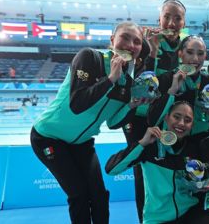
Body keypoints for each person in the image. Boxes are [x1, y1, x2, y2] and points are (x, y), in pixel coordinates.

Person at [30, 21, 149, 224]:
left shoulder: (127, 83)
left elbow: (112, 123)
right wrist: (110, 79)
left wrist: (132, 106)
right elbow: (77, 104)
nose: (131, 45)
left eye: (137, 41)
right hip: (48, 137)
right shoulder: (90, 58)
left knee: (99, 195)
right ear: (112, 40)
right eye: (125, 37)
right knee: (79, 194)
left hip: (82, 142)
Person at [106, 101, 209, 224]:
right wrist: (142, 143)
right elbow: (111, 169)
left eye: (187, 120)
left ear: (192, 125)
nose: (181, 123)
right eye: (176, 116)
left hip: (189, 213)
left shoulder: (194, 148)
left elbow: (208, 181)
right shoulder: (149, 147)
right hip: (157, 219)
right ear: (166, 117)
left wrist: (204, 184)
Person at [128, 0, 186, 221]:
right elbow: (141, 84)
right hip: (142, 119)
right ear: (159, 20)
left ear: (184, 22)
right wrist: (152, 53)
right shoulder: (144, 44)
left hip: (169, 119)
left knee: (170, 170)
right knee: (143, 174)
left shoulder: (186, 46)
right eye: (167, 17)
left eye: (177, 18)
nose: (171, 22)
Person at [149, 35, 209, 139]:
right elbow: (153, 120)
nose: (195, 59)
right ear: (180, 54)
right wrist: (171, 92)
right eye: (190, 52)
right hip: (171, 142)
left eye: (200, 54)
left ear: (205, 56)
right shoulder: (166, 79)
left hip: (199, 141)